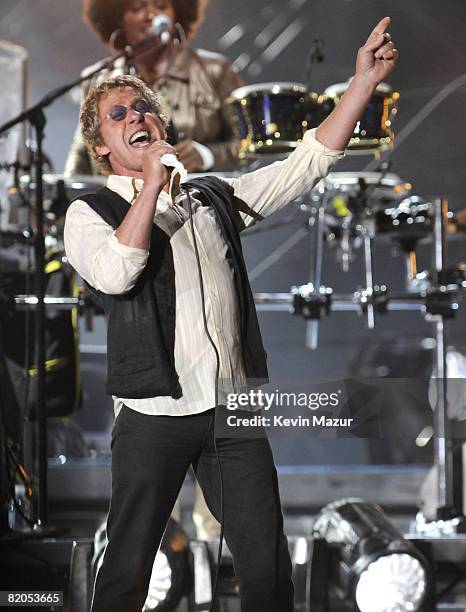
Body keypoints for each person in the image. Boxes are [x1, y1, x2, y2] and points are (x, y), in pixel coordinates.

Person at [64, 17, 398, 612]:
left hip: (229, 409)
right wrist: (150, 187)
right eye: (119, 115)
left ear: (163, 124)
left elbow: (306, 163)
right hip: (153, 415)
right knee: (128, 568)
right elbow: (118, 272)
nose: (136, 117)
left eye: (144, 109)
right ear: (99, 149)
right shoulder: (89, 213)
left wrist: (361, 85)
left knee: (267, 567)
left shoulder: (211, 196)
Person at [64, 0, 242, 176]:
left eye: (161, 6)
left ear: (177, 14)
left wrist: (207, 155)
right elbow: (84, 150)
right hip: (124, 200)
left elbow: (248, 142)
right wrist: (70, 197)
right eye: (137, 8)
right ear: (118, 19)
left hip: (200, 196)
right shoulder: (99, 78)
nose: (151, 15)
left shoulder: (216, 70)